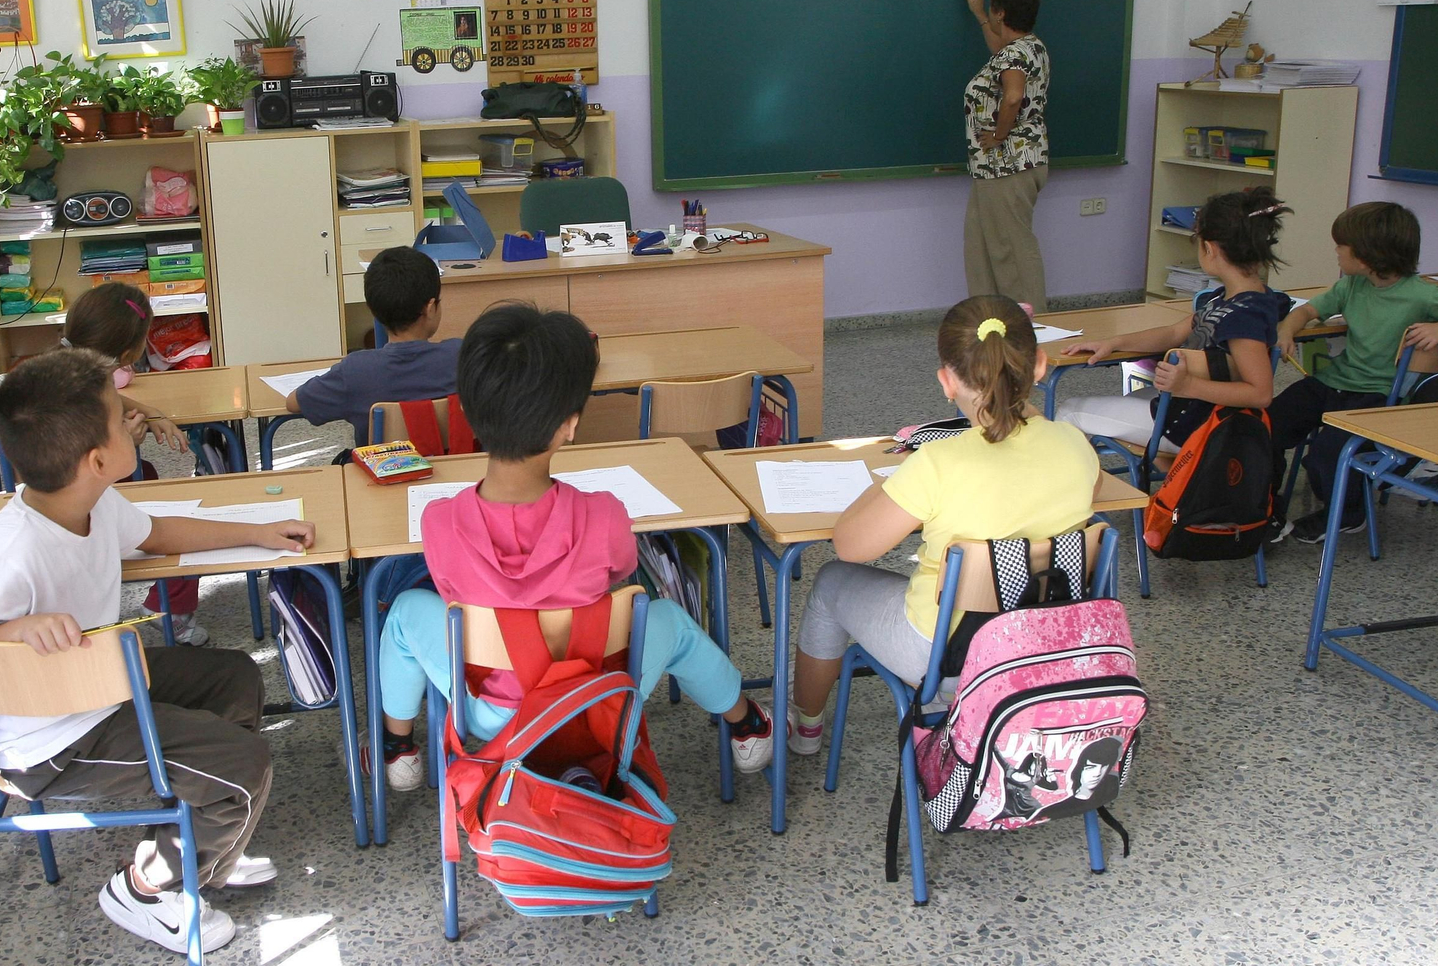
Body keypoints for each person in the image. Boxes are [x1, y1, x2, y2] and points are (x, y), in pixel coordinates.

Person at [0, 349, 316, 956]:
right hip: (48, 743)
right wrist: (17, 630)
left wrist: (257, 532)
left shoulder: (88, 501)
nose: (132, 422)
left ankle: (195, 843)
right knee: (242, 767)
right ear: (96, 458)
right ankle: (146, 888)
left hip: (98, 684)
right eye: (121, 419)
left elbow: (156, 533)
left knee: (235, 679)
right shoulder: (8, 550)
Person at [374, 303, 774, 791]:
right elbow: (620, 574)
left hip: (493, 716)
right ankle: (747, 723)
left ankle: (398, 748)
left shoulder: (438, 521)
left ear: (468, 411)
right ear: (569, 425)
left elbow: (451, 593)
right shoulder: (604, 514)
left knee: (407, 610)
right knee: (666, 618)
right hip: (597, 702)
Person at [787, 296, 1098, 755]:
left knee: (832, 582)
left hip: (948, 656)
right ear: (1040, 365)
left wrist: (889, 480)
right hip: (1045, 648)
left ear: (947, 382)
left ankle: (805, 730)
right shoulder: (1075, 446)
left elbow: (850, 545)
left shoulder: (937, 462)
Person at [1270, 202, 1438, 543]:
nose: (1335, 251)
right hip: (1335, 382)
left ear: (1366, 256)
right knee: (1266, 423)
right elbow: (1305, 312)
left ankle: (1350, 515)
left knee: (1327, 455)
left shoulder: (1420, 294)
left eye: (1341, 246)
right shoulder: (1351, 286)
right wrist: (1287, 330)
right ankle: (1263, 506)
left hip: (1377, 396)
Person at [1055, 187, 1291, 453]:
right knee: (1128, 400)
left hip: (1195, 425)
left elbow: (1260, 393)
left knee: (1069, 411)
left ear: (1209, 248)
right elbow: (1173, 333)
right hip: (1187, 409)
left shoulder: (1243, 316)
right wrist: (1114, 342)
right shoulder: (1233, 298)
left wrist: (1189, 385)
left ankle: (1074, 492)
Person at [63, 283, 205, 643]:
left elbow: (113, 402)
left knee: (152, 476)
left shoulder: (66, 369)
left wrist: (150, 413)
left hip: (75, 496)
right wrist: (126, 441)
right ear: (130, 352)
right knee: (181, 522)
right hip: (91, 502)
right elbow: (98, 464)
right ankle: (172, 612)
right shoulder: (86, 392)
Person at [288, 246, 460, 448]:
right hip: (458, 476)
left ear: (373, 310)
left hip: (380, 476)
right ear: (431, 308)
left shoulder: (356, 370)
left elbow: (293, 403)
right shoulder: (464, 357)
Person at [961, 0, 1052, 313]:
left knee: (1012, 250)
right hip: (995, 167)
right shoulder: (1028, 47)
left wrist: (999, 135)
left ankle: (1031, 328)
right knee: (982, 246)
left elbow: (1013, 96)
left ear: (1003, 13)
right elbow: (1000, 49)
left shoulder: (1016, 54)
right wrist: (981, 16)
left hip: (1008, 163)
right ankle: (991, 321)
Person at [63, 282, 184, 454]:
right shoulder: (79, 397)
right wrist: (122, 439)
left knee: (146, 471)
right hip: (75, 475)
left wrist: (149, 411)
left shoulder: (81, 378)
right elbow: (74, 462)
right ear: (127, 355)